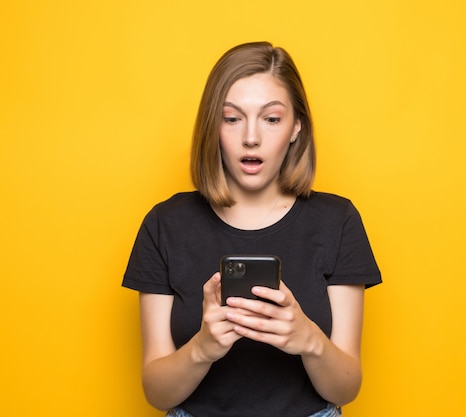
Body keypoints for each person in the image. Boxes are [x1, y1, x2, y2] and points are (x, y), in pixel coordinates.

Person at [123, 41, 381, 417]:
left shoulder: (337, 221)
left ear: (296, 128)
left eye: (271, 119)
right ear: (213, 126)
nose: (251, 137)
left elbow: (346, 387)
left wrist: (309, 340)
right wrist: (202, 348)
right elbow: (157, 394)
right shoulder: (165, 224)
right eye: (232, 118)